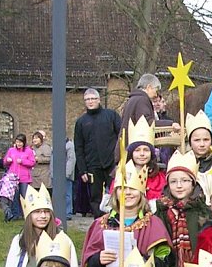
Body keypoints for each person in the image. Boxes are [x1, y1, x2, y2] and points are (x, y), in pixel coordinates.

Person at [80, 161, 173, 267]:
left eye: (132, 189)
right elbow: (87, 266)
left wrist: (144, 260)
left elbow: (166, 263)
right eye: (122, 189)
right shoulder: (100, 224)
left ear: (141, 193)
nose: (128, 193)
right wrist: (98, 260)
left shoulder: (153, 224)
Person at [154, 151, 208, 267]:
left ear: (193, 183)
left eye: (184, 180)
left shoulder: (202, 211)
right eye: (174, 181)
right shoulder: (161, 212)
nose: (179, 185)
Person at [74, 87, 122, 217]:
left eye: (93, 99)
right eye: (87, 99)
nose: (90, 101)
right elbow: (79, 147)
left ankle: (116, 219)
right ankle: (99, 222)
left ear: (99, 99)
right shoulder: (81, 122)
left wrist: (121, 160)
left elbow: (122, 137)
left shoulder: (111, 115)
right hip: (92, 165)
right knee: (95, 197)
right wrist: (82, 170)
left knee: (115, 193)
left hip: (112, 163)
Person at [124, 116, 165, 204]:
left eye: (146, 150)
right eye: (137, 150)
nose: (142, 154)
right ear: (131, 154)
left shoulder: (160, 178)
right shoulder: (122, 175)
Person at [3, 134, 36, 220]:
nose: (18, 144)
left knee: (24, 196)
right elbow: (5, 162)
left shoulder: (28, 151)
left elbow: (32, 162)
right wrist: (7, 160)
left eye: (20, 142)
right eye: (17, 142)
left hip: (24, 177)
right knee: (14, 196)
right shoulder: (11, 150)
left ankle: (25, 214)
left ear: (24, 142)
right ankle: (15, 214)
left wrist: (23, 161)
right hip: (13, 177)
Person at [186, 110, 212, 174]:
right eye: (197, 140)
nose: (202, 144)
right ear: (190, 143)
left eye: (206, 139)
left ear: (211, 141)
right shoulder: (184, 164)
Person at [65, 138, 76, 219]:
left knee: (67, 194)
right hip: (57, 174)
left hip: (66, 174)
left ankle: (68, 212)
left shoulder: (69, 145)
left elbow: (71, 160)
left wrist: (67, 173)